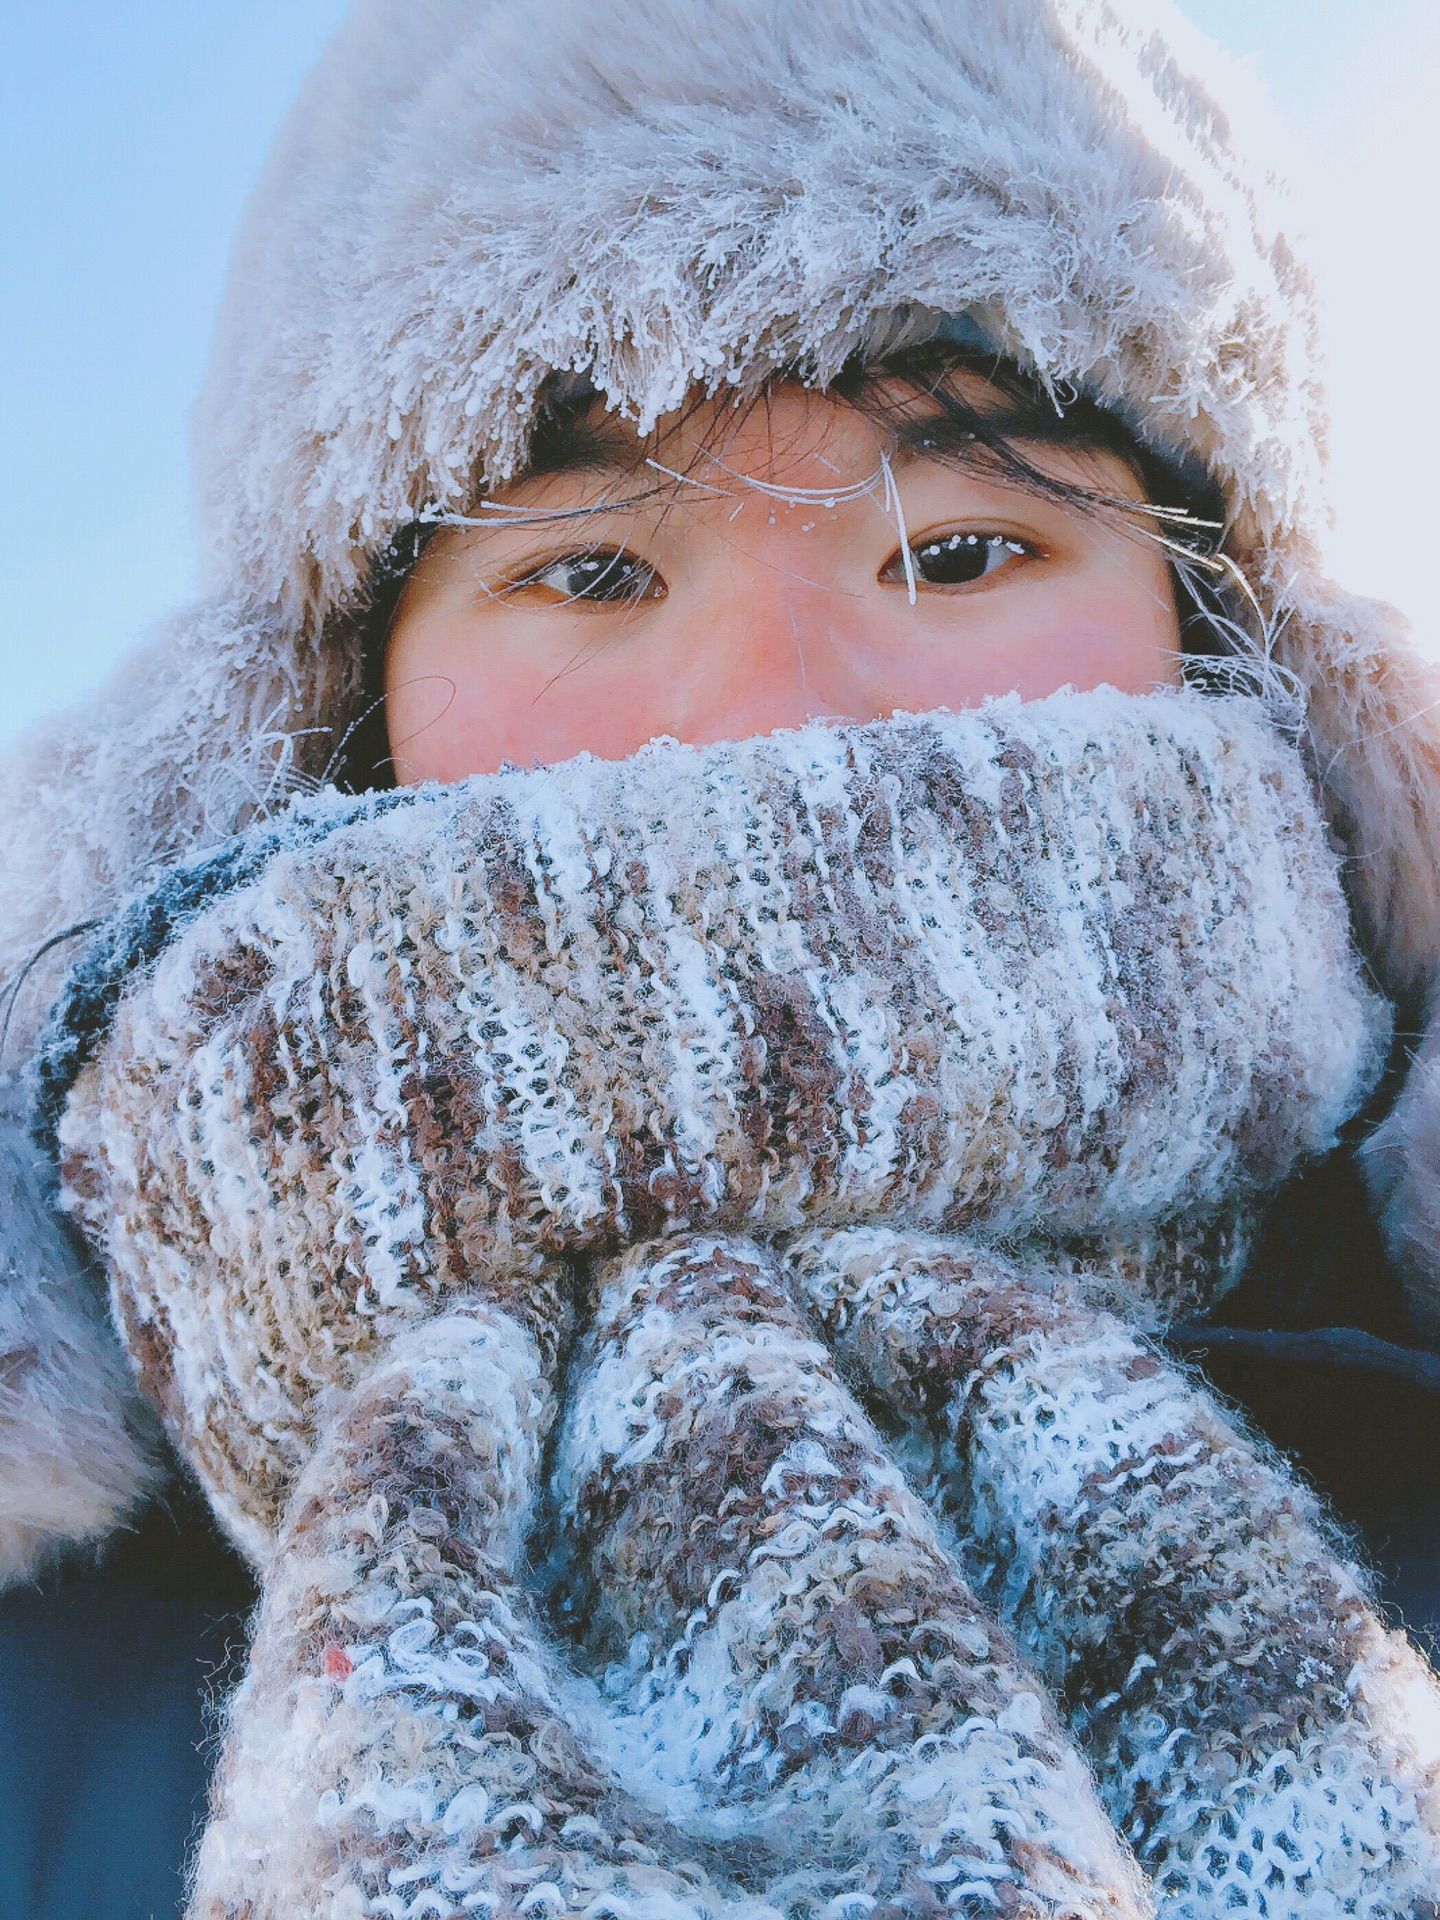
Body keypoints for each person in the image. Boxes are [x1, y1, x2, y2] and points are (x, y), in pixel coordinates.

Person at [1, 1, 1439, 1914]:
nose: (774, 715)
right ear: (342, 715)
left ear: (1228, 635)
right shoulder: (60, 1643)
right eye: (590, 572)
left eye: (959, 553)